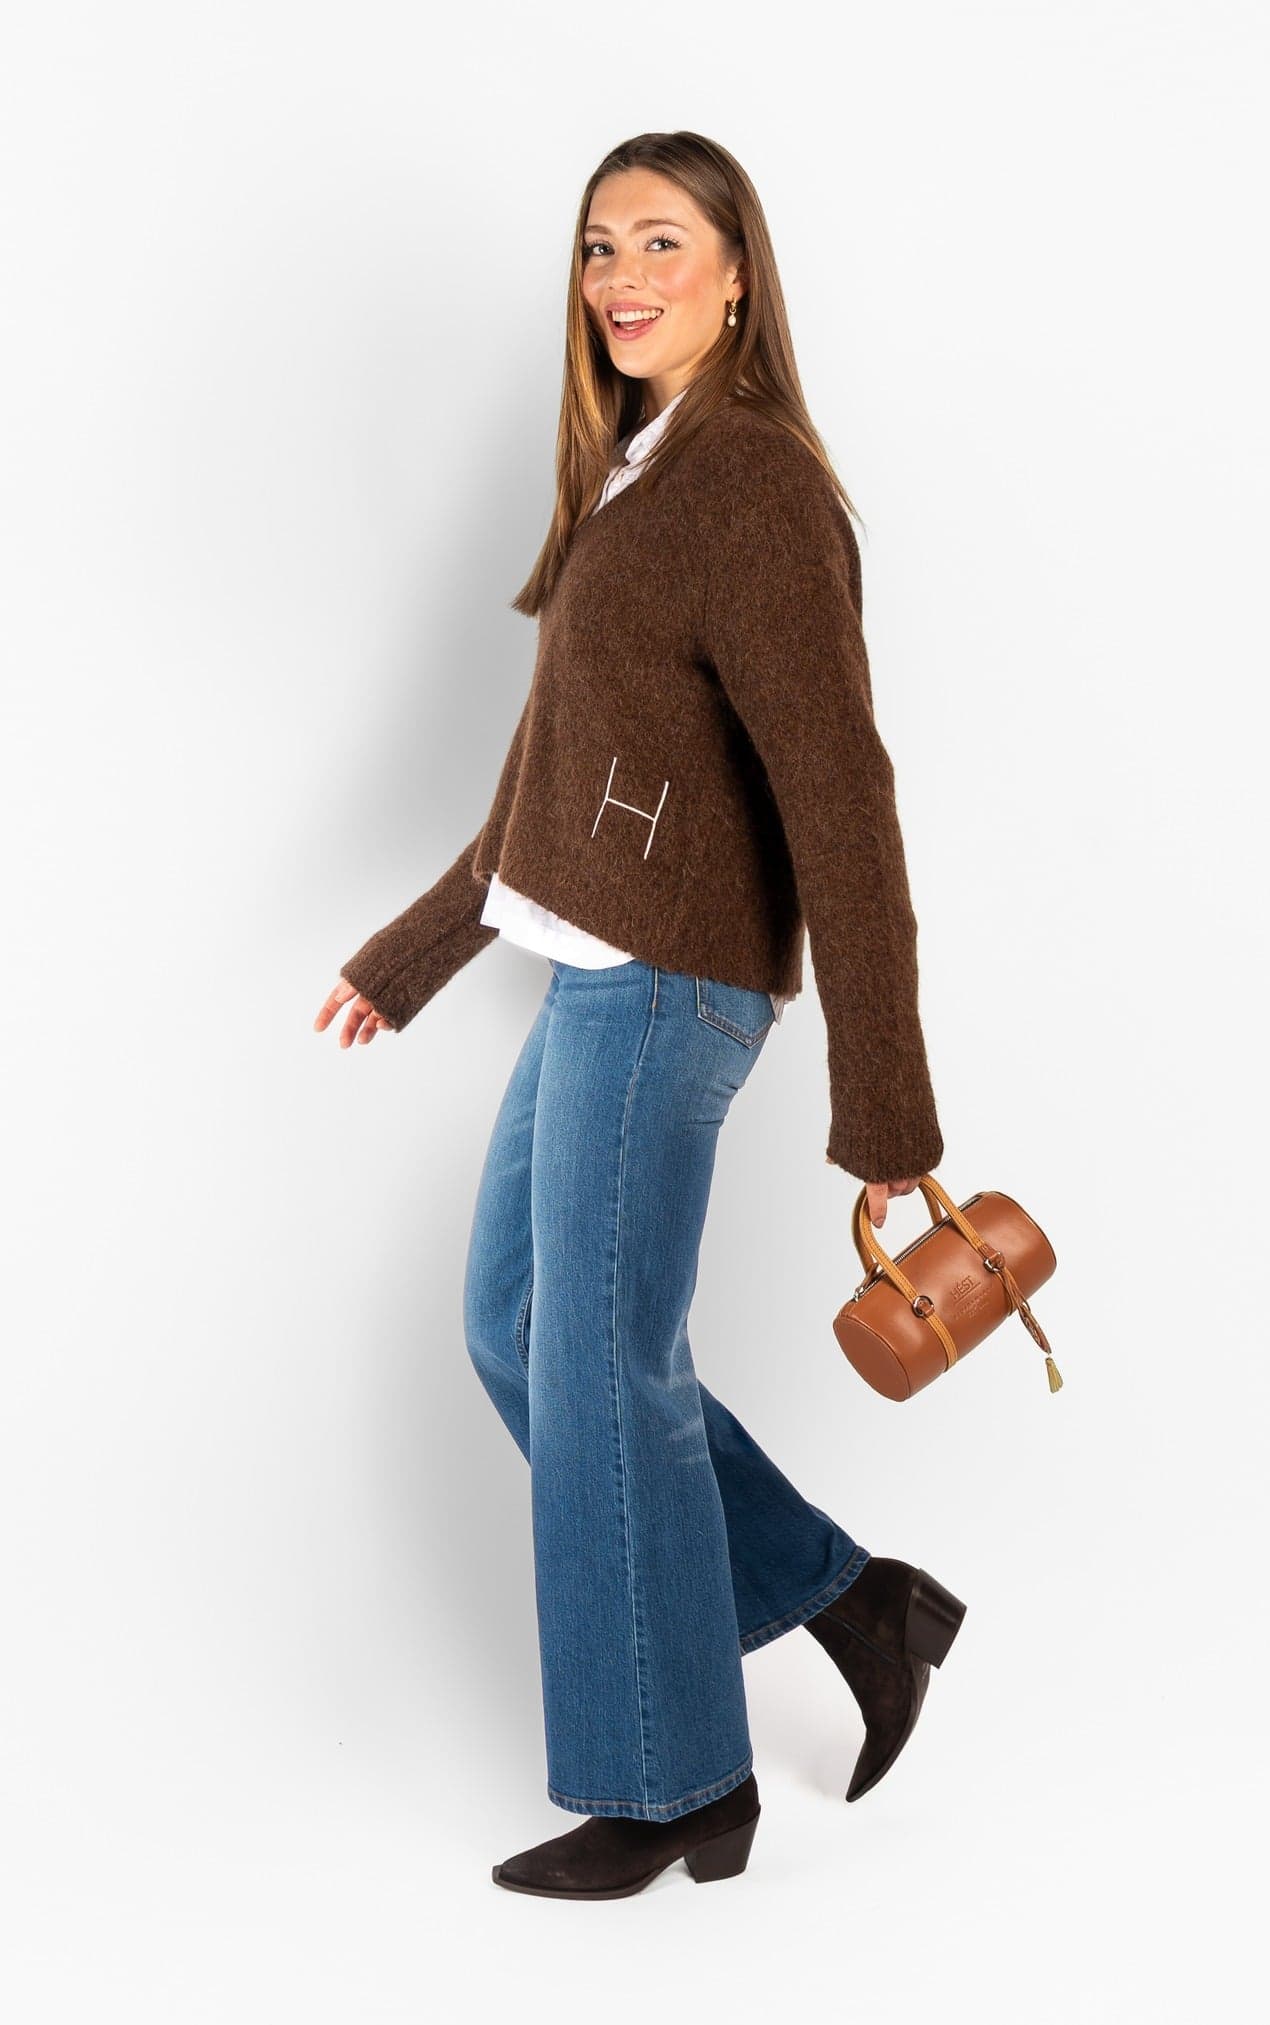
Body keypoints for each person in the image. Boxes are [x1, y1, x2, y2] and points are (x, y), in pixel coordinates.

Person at [314, 130, 966, 1901]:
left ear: (737, 273)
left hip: (668, 991)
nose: (620, 276)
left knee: (598, 1361)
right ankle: (853, 1600)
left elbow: (840, 797)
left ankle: (675, 1781)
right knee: (524, 1324)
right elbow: (554, 779)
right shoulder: (638, 470)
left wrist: (885, 1107)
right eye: (600, 244)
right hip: (599, 972)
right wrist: (408, 956)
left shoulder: (750, 483)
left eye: (662, 241)